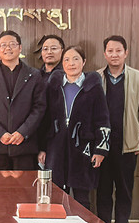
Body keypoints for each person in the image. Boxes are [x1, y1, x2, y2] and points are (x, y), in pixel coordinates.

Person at [96, 35, 139, 223]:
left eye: (118, 51)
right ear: (104, 54)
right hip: (102, 146)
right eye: (110, 51)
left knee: (124, 190)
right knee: (102, 190)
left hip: (128, 144)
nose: (114, 55)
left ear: (126, 53)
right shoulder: (95, 78)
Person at [40, 45, 110, 208]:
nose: (71, 63)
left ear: (84, 62)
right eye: (66, 60)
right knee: (56, 193)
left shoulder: (93, 87)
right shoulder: (53, 86)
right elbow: (45, 119)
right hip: (56, 146)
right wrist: (42, 148)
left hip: (83, 146)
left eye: (76, 59)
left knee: (81, 196)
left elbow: (103, 119)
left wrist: (100, 150)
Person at [0, 31, 46, 171]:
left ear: (20, 48)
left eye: (12, 44)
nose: (7, 48)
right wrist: (0, 134)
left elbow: (39, 108)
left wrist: (23, 132)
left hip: (25, 145)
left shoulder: (34, 75)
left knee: (25, 185)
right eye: (3, 45)